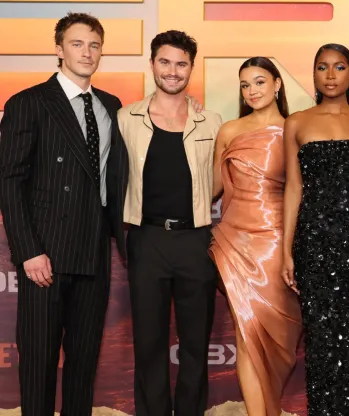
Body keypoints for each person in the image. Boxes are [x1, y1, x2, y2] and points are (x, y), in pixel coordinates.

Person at [0, 12, 129, 416]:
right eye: (76, 44)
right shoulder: (28, 102)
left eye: (93, 45)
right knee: (38, 363)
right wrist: (28, 252)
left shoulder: (111, 105)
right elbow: (9, 181)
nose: (86, 52)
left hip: (93, 253)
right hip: (45, 257)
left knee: (83, 366)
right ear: (58, 50)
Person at [118, 30, 223, 416]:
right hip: (146, 239)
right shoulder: (125, 118)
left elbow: (220, 178)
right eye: (165, 61)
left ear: (191, 69)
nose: (173, 71)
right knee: (149, 343)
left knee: (196, 344)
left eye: (181, 63)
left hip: (195, 241)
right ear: (152, 65)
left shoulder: (211, 121)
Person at [280, 43, 349, 415]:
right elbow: (293, 188)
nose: (330, 74)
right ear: (313, 74)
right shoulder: (296, 122)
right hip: (314, 242)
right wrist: (286, 251)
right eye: (322, 67)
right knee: (322, 342)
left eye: (339, 67)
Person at [209, 57, 302, 416]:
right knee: (246, 337)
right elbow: (213, 189)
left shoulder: (298, 127)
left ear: (278, 84)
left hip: (281, 243)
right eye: (245, 85)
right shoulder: (230, 131)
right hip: (236, 243)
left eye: (260, 82)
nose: (252, 91)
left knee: (280, 341)